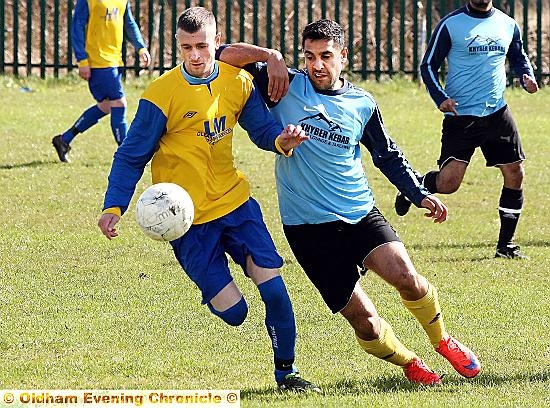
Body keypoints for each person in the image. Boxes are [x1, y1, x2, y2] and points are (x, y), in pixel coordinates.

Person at [217, 19, 480, 385]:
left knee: (409, 279)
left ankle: (443, 341)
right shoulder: (285, 85)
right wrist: (270, 56)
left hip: (360, 213)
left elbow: (386, 155)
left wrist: (419, 193)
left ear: (344, 56)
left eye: (326, 56)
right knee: (367, 323)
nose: (317, 65)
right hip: (308, 229)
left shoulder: (362, 104)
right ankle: (409, 363)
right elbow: (220, 56)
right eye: (309, 57)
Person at [97, 7, 319, 393]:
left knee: (275, 290)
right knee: (235, 313)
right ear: (178, 46)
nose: (195, 56)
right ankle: (218, 291)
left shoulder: (238, 82)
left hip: (236, 204)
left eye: (202, 46)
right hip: (186, 220)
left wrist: (282, 140)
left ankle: (287, 373)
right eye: (186, 47)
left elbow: (263, 130)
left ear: (218, 43)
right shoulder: (161, 95)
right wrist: (113, 206)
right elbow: (131, 155)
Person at [394, 0, 539, 259]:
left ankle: (505, 246)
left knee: (515, 173)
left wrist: (526, 74)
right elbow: (428, 66)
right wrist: (441, 99)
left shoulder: (508, 24)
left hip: (497, 112)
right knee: (449, 184)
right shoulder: (451, 25)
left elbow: (517, 56)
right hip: (461, 115)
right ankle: (412, 185)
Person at [52, 0, 152, 163]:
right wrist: (82, 60)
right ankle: (126, 153)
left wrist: (140, 47)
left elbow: (129, 23)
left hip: (115, 61)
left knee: (106, 106)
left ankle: (64, 139)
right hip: (98, 62)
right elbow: (77, 26)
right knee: (119, 104)